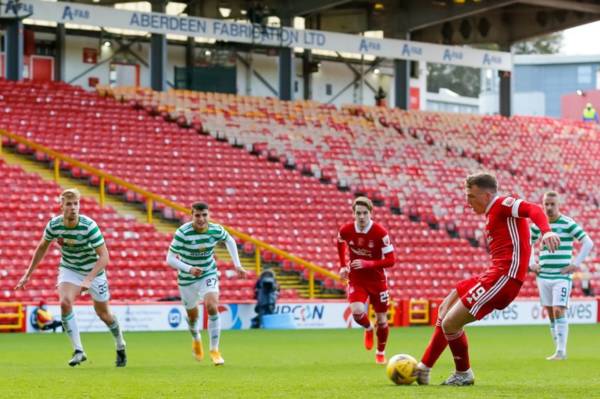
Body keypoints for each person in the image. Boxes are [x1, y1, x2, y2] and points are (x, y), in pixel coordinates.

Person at [413, 173, 560, 386]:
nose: (467, 201)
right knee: (445, 308)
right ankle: (424, 368)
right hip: (493, 274)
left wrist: (546, 232)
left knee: (451, 324)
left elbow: (533, 209)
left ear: (486, 195)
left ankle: (463, 374)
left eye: (471, 196)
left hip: (504, 278)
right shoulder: (492, 214)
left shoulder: (502, 204)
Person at [15, 188, 127, 367]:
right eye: (69, 204)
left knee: (104, 315)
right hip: (70, 268)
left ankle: (120, 345)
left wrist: (89, 279)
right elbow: (42, 247)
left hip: (94, 271)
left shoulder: (89, 226)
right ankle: (78, 350)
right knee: (65, 303)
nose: (73, 208)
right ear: (61, 206)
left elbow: (105, 256)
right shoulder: (54, 225)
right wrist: (28, 274)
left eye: (76, 204)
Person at [166, 202, 248, 365]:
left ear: (208, 215)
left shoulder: (216, 230)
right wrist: (189, 268)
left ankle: (214, 350)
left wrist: (237, 264)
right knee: (193, 315)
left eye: (204, 215)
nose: (201, 219)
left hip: (208, 273)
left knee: (212, 305)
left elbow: (230, 240)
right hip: (187, 278)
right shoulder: (183, 233)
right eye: (197, 215)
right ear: (192, 215)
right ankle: (196, 338)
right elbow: (170, 259)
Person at [529, 191, 594, 360]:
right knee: (550, 312)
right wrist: (531, 263)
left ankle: (561, 351)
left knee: (559, 309)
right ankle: (558, 348)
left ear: (559, 205)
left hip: (561, 277)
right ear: (543, 205)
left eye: (553, 204)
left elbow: (588, 242)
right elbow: (528, 243)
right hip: (543, 275)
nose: (549, 207)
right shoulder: (538, 225)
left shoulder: (567, 223)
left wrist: (575, 264)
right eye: (546, 204)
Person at [337, 196, 396, 364]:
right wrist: (342, 266)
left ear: (370, 213)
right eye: (358, 213)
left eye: (364, 213)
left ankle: (380, 352)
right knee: (356, 312)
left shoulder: (380, 233)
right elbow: (340, 242)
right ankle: (369, 328)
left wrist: (368, 263)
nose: (361, 217)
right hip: (357, 279)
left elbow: (391, 260)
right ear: (354, 214)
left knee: (382, 320)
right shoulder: (347, 229)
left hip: (377, 280)